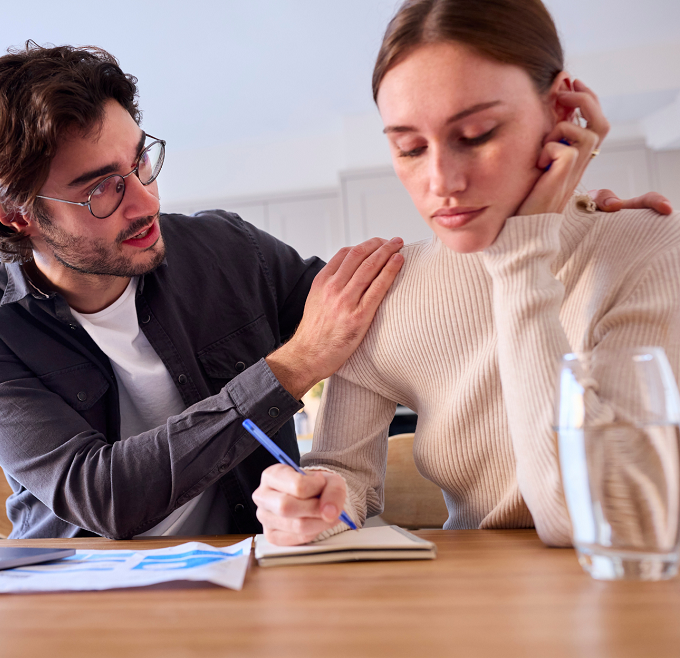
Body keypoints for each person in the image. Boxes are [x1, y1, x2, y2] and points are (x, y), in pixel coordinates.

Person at [0, 44, 407, 539]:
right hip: (78, 593)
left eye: (140, 163)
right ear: (16, 213)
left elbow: (380, 319)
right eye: (100, 189)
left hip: (249, 569)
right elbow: (102, 496)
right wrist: (297, 364)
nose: (145, 201)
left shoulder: (229, 249)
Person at [253, 0, 680, 548]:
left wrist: (521, 258)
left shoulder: (647, 247)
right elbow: (344, 478)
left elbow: (606, 520)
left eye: (477, 134)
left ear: (560, 111)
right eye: (409, 147)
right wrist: (310, 503)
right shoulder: (387, 291)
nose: (442, 181)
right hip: (469, 608)